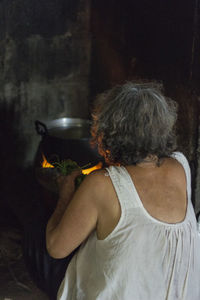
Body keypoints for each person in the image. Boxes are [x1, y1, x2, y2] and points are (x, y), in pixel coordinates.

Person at [45, 82, 200, 300]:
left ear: (115, 135)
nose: (94, 138)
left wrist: (65, 195)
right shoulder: (181, 166)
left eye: (97, 129)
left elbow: (56, 248)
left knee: (40, 239)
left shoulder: (101, 184)